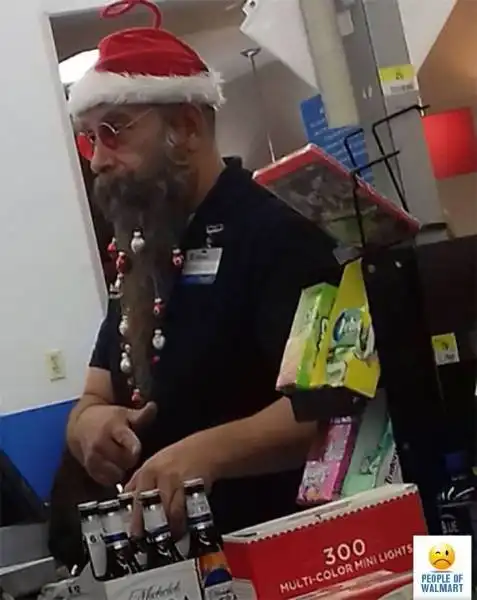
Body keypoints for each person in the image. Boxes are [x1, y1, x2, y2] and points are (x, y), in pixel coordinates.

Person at [61, 0, 340, 555]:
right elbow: (95, 392)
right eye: (91, 138)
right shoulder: (143, 250)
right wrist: (87, 426)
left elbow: (325, 402)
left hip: (278, 546)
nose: (96, 161)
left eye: (113, 132)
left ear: (187, 127)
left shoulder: (277, 233)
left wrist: (206, 453)